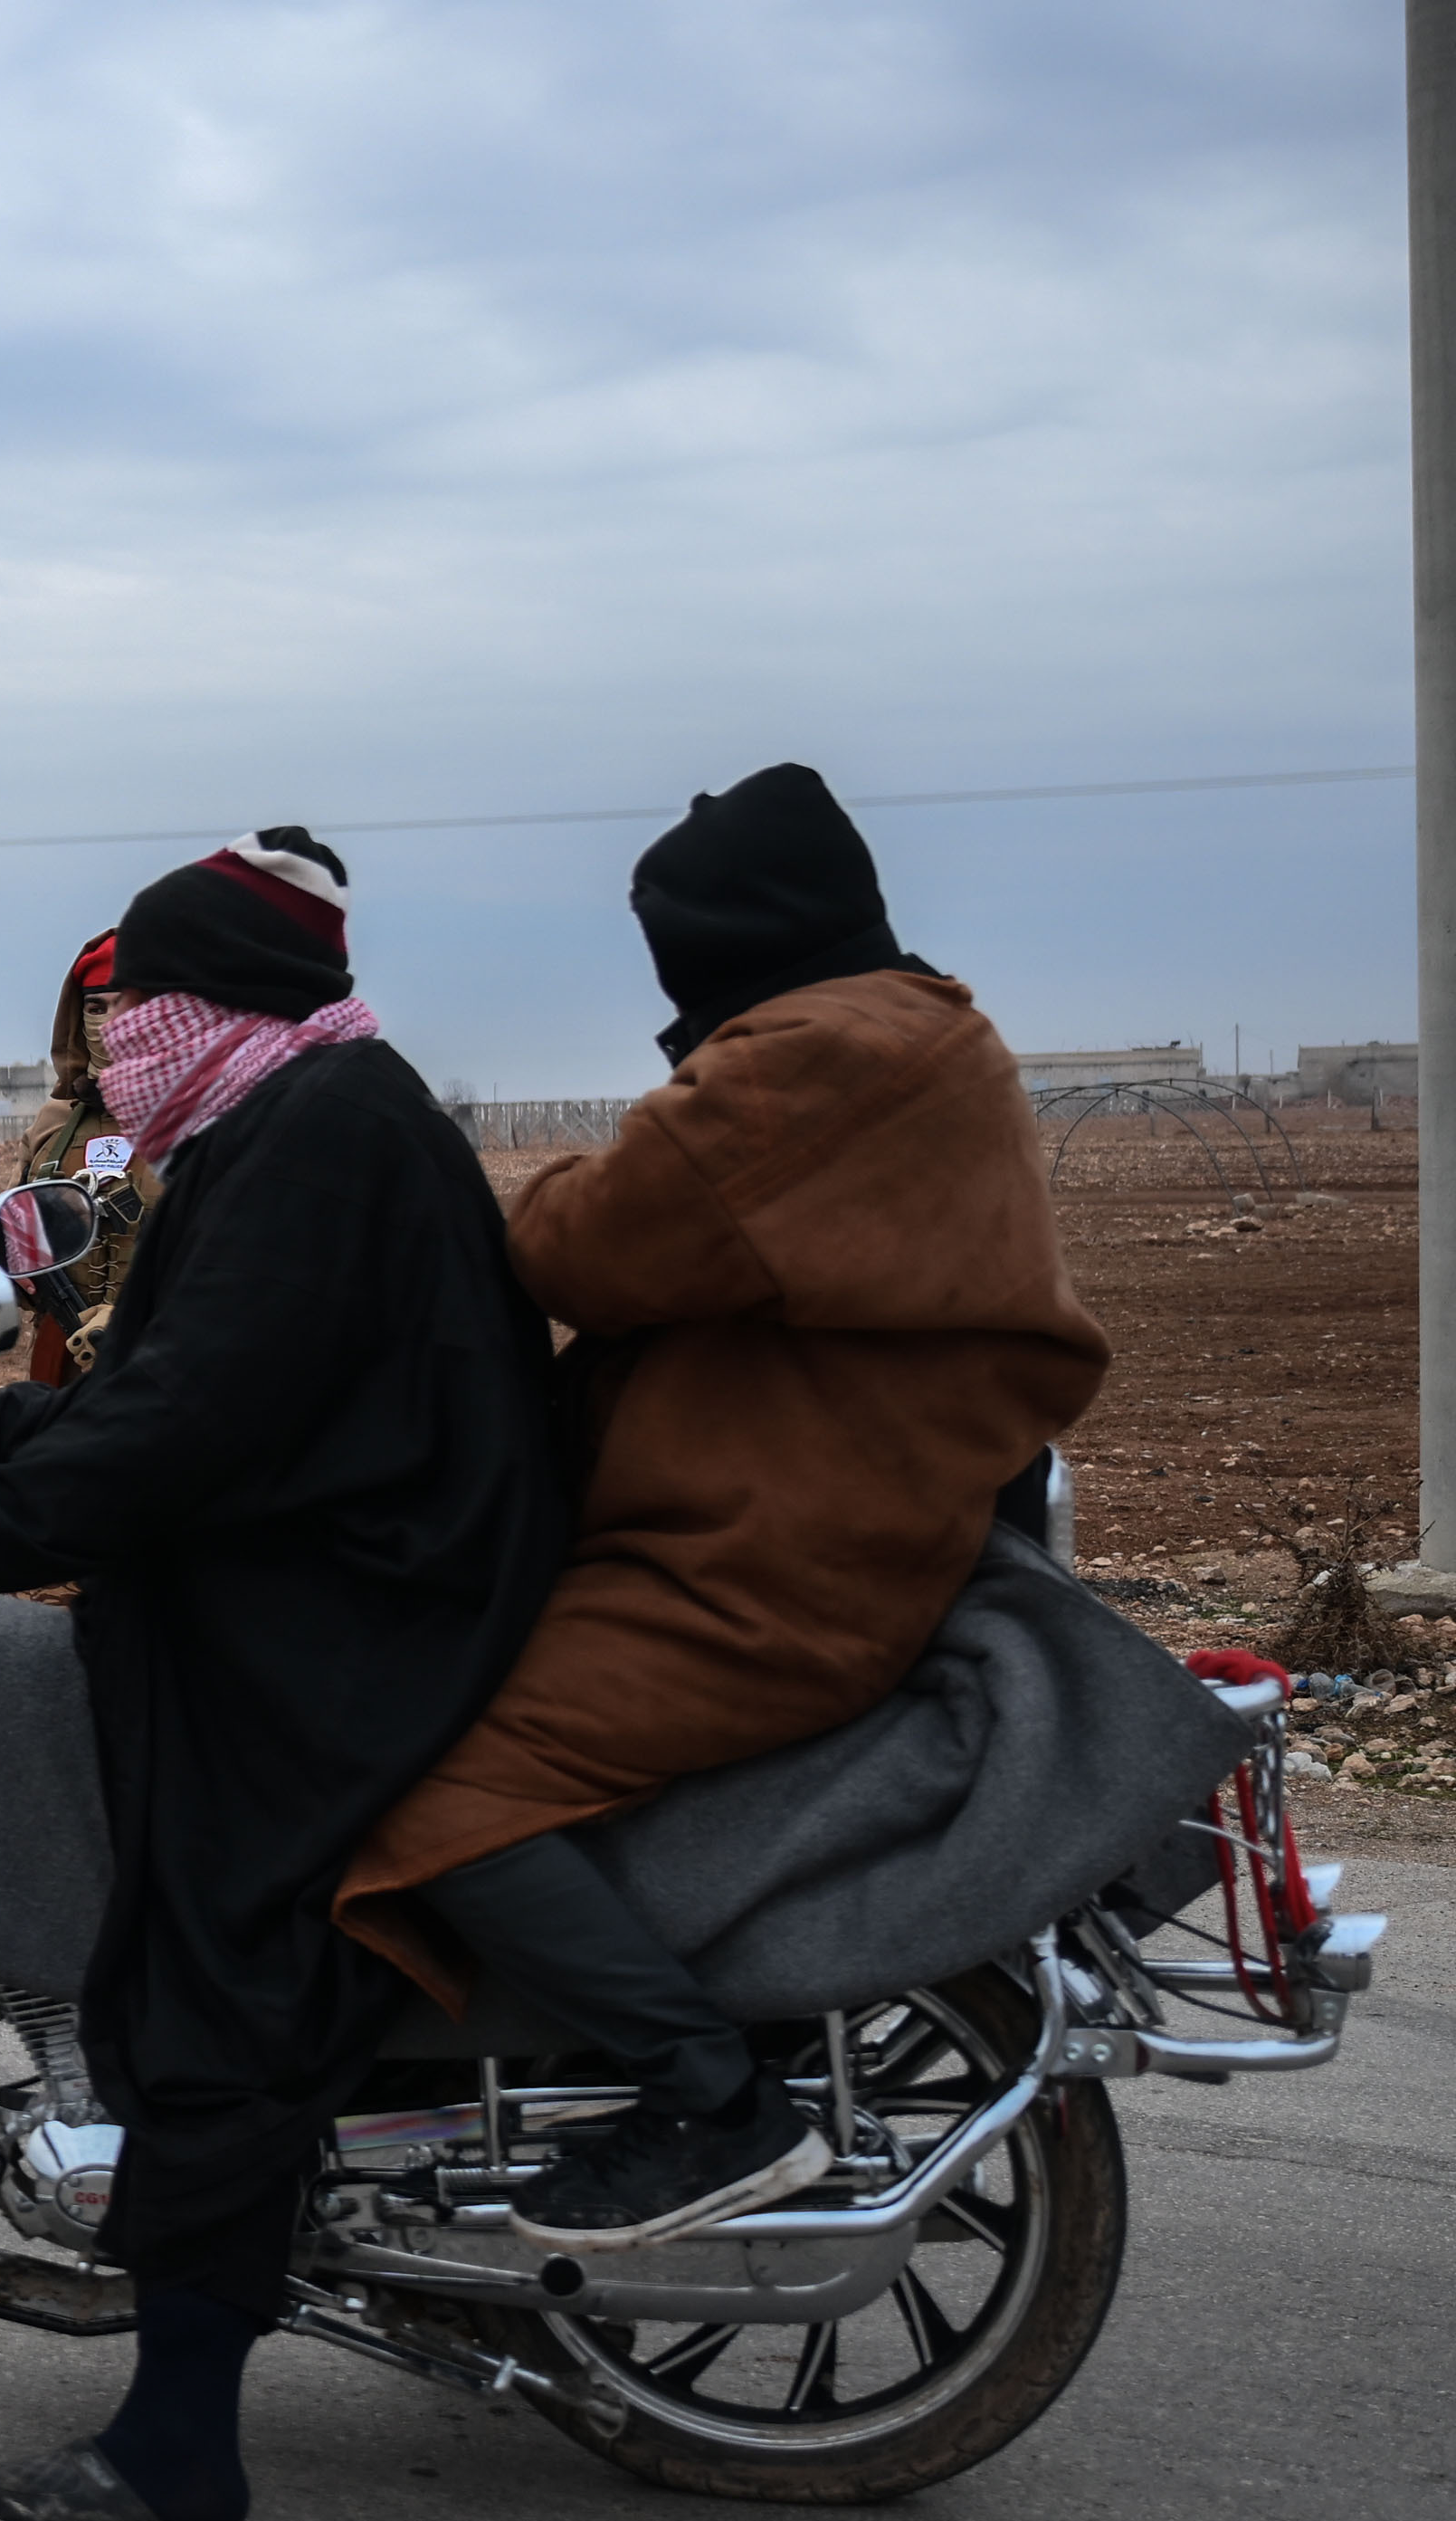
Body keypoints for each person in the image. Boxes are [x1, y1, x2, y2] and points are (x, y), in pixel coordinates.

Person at [0, 829, 567, 2521]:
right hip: (345, 1580)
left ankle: (174, 2457)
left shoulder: (313, 1140)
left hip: (345, 1628)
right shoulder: (294, 1114)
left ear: (217, 994)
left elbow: (187, 1428)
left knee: (211, 1981)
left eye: (141, 991)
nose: (119, 1025)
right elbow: (182, 1379)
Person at [341, 764, 1109, 2250]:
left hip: (756, 1563)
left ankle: (707, 2101)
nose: (108, 1043)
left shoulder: (811, 1058)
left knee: (431, 1797)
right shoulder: (910, 1025)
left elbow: (577, 1242)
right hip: (797, 1525)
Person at [10, 930, 155, 1382]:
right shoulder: (54, 1124)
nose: (109, 1022)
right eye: (95, 1007)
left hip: (170, 1356)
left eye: (125, 1005)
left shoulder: (205, 1121)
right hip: (63, 1357)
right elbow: (11, 1218)